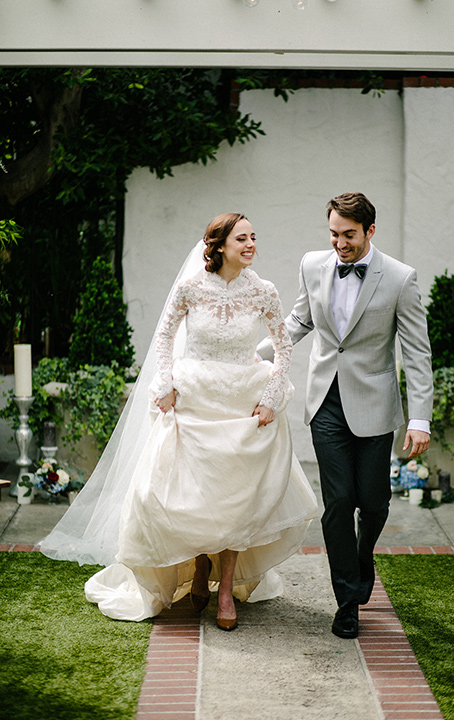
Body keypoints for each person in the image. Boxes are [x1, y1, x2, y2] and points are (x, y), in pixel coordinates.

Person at [40, 212, 318, 629]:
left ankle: (225, 590)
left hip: (245, 407)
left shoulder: (264, 291)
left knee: (236, 501)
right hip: (194, 402)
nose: (250, 245)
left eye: (253, 237)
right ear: (219, 245)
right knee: (187, 497)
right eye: (241, 238)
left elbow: (284, 345)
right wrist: (166, 384)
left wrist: (271, 399)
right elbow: (165, 338)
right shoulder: (191, 288)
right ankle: (199, 569)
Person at [257, 193, 433, 639]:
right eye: (334, 233)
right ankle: (347, 600)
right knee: (337, 502)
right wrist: (252, 355)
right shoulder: (312, 265)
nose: (339, 243)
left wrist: (419, 419)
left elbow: (416, 351)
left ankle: (362, 555)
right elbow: (299, 321)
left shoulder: (399, 278)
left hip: (375, 404)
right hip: (325, 403)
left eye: (349, 235)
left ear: (370, 231)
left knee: (372, 502)